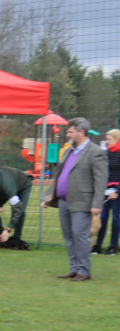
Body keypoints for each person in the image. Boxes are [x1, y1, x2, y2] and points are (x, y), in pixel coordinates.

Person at [41, 117, 108, 282]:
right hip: (64, 200)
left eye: (71, 132)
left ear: (81, 132)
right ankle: (74, 269)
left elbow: (101, 180)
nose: (68, 135)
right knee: (69, 236)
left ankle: (84, 271)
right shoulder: (69, 151)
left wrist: (96, 204)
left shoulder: (95, 152)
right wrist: (48, 198)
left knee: (80, 235)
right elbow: (59, 177)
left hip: (82, 202)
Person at [0, 166, 32, 246]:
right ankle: (1, 239)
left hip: (23, 184)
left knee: (21, 212)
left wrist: (8, 229)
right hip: (6, 184)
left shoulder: (7, 187)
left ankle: (16, 240)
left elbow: (17, 209)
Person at [93, 128, 120, 255]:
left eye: (109, 139)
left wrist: (117, 191)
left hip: (117, 191)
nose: (107, 141)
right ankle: (98, 245)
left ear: (117, 140)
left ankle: (113, 246)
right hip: (105, 189)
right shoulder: (106, 154)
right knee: (102, 217)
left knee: (116, 218)